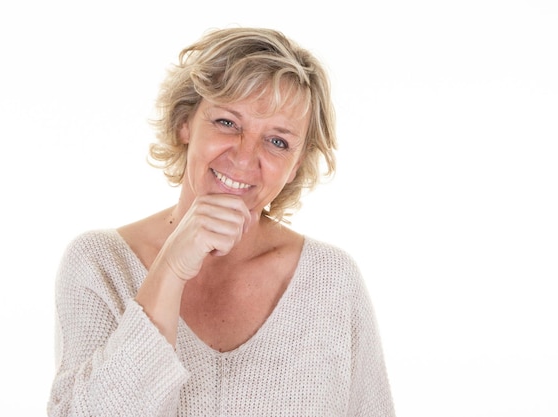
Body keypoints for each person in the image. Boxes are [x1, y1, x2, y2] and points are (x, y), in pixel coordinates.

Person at [47, 27, 395, 417]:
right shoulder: (99, 264)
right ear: (185, 123)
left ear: (295, 166)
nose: (246, 158)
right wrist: (171, 268)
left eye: (277, 141)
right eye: (228, 123)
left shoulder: (332, 281)